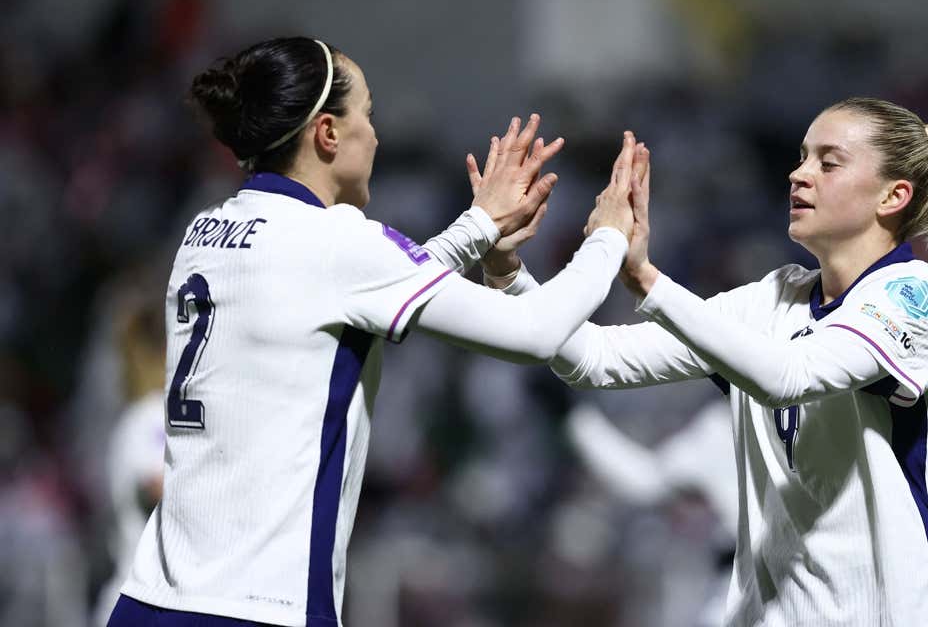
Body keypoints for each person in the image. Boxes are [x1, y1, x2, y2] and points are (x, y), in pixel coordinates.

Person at [109, 36, 641, 627]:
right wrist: (610, 236)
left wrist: (478, 227)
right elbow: (537, 332)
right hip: (258, 609)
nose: (376, 134)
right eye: (367, 113)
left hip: (149, 601)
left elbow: (361, 288)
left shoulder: (205, 232)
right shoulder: (337, 241)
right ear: (328, 134)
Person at [478, 97, 928, 626]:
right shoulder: (771, 299)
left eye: (829, 162)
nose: (799, 174)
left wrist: (647, 279)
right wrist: (507, 268)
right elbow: (594, 358)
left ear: (892, 196)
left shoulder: (916, 299)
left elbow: (791, 377)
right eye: (802, 158)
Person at [565, 399, 737, 627]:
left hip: (746, 580)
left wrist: (581, 422)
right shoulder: (728, 425)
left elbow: (647, 481)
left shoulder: (721, 427)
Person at [94, 293, 167, 626]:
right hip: (143, 601)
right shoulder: (149, 417)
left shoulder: (136, 418)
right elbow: (158, 488)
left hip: (139, 600)